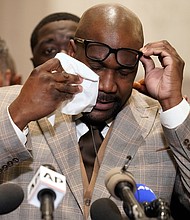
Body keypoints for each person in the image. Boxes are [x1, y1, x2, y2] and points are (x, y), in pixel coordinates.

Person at [0, 3, 189, 220]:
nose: (108, 85)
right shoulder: (9, 103)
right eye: (96, 67)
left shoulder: (162, 123)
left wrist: (173, 104)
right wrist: (18, 116)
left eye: (124, 71)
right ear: (72, 52)